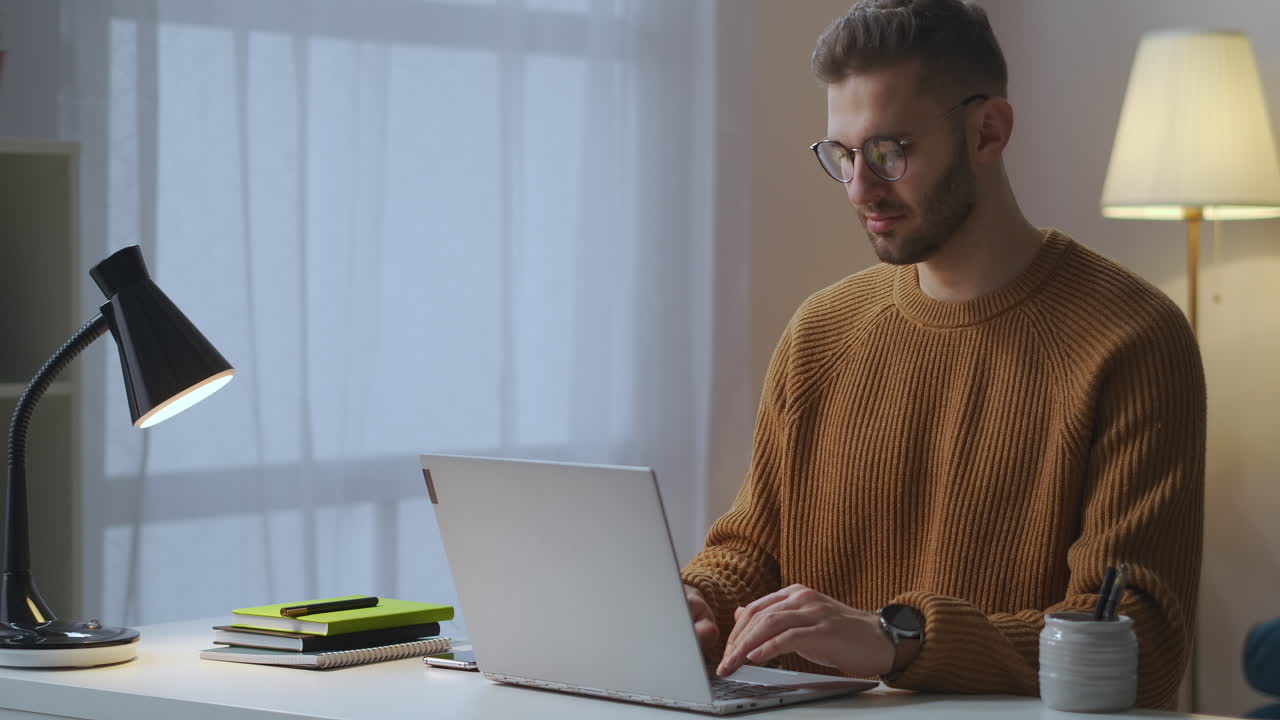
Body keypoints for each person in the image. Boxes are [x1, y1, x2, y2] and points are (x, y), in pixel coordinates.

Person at [679, 0, 1205, 710]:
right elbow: (753, 550)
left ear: (988, 131)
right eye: (843, 155)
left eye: (891, 152)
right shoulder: (821, 333)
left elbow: (1141, 642)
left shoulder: (1133, 338)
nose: (861, 187)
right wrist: (694, 603)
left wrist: (900, 639)